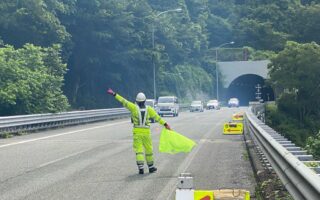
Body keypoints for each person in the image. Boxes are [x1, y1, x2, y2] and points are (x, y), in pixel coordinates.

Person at [107, 88, 171, 174]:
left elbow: (123, 101)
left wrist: (114, 94)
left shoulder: (133, 107)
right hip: (146, 133)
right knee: (149, 150)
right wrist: (165, 124)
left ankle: (141, 168)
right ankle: (151, 167)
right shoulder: (149, 109)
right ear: (145, 101)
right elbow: (157, 118)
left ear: (136, 101)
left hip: (137, 132)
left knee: (139, 150)